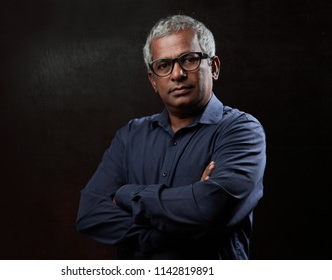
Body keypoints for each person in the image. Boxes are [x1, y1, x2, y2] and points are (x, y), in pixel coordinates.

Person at [76, 14, 266, 260]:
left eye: (189, 60)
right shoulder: (131, 136)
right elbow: (89, 214)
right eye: (163, 65)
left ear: (215, 67)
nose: (177, 74)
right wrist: (167, 234)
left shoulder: (241, 131)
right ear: (153, 80)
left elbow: (209, 207)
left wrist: (125, 195)